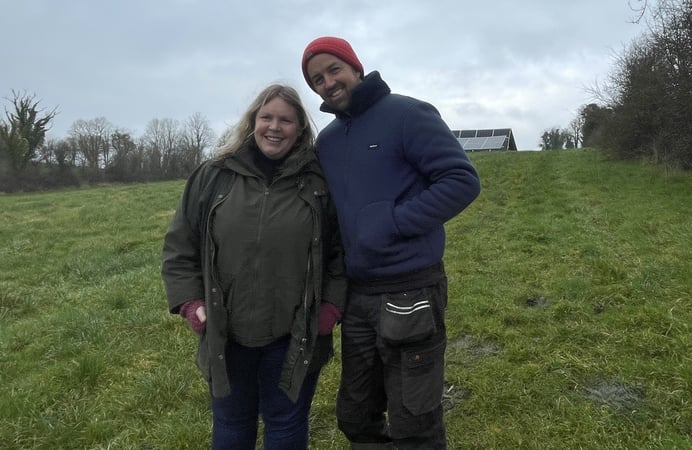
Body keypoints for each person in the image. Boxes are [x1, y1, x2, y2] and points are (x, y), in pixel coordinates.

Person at [301, 37, 481, 449]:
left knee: (413, 422)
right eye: (316, 79)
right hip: (359, 296)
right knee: (355, 416)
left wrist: (393, 222)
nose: (327, 83)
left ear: (356, 67)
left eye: (334, 70)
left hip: (412, 288)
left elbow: (461, 181)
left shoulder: (407, 114)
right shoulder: (327, 142)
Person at [161, 84, 347, 449]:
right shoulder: (213, 176)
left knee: (287, 426)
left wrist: (329, 309)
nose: (274, 127)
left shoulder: (319, 183)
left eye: (285, 120)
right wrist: (191, 304)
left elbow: (341, 253)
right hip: (225, 332)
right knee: (231, 424)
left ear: (300, 128)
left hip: (296, 333)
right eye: (267, 117)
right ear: (252, 122)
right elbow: (179, 247)